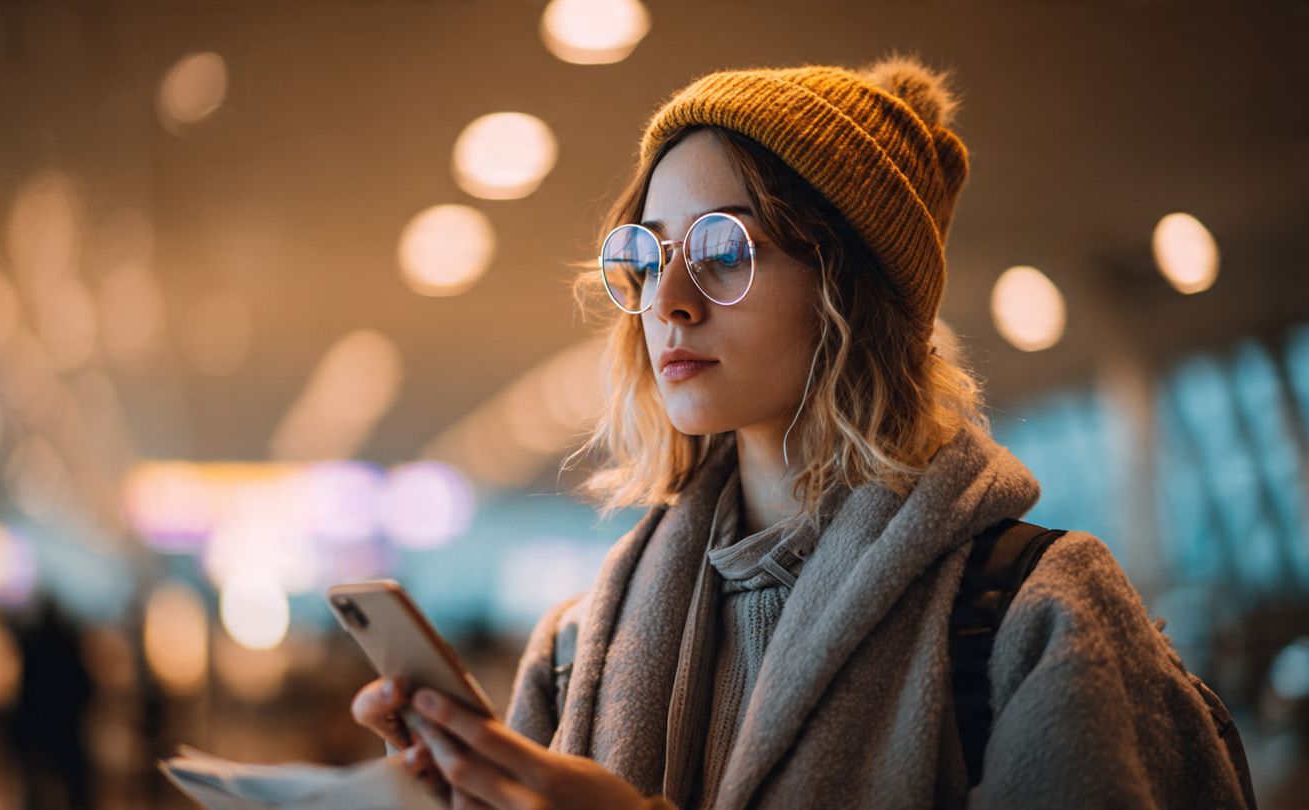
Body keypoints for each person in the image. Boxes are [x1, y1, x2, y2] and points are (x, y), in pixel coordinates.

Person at [353, 55, 1251, 809]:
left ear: (849, 288)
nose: (666, 302)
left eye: (722, 251)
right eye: (648, 254)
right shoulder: (576, 650)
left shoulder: (1033, 617)